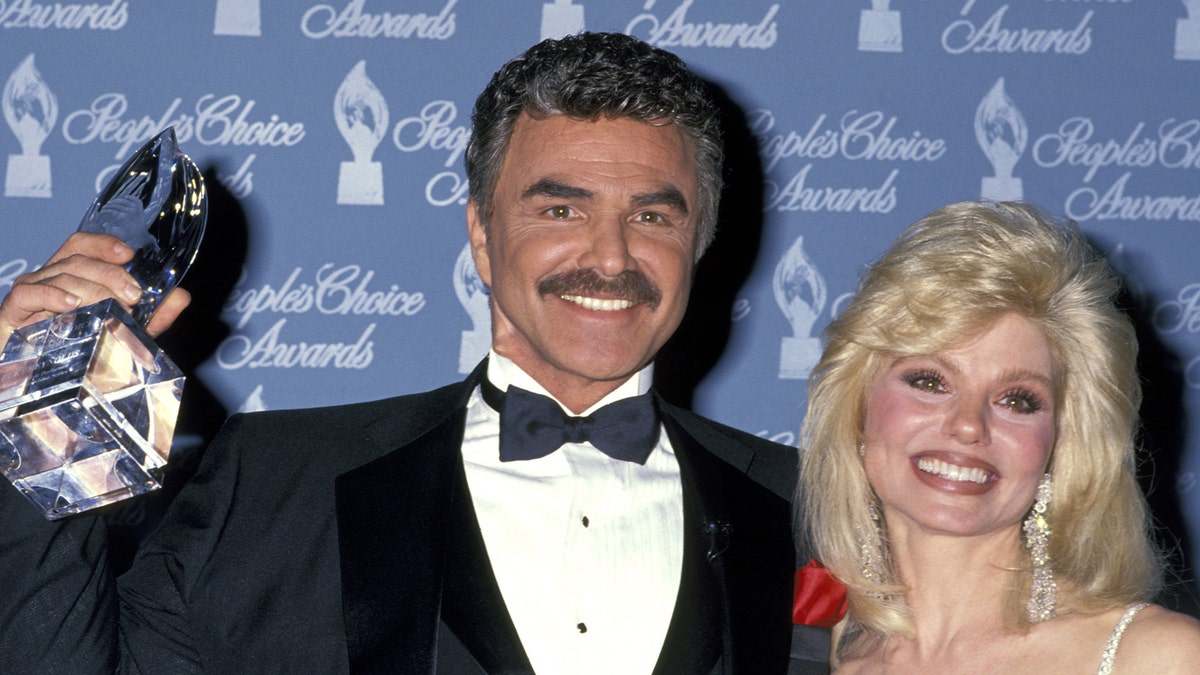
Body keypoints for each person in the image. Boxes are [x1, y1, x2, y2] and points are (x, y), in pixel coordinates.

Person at [0, 33, 827, 674]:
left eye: (653, 216)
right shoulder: (273, 481)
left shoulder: (813, 511)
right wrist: (39, 417)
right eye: (561, 211)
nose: (610, 258)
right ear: (480, 234)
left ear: (701, 240)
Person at [798, 200, 1200, 672]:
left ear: (1060, 445)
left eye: (1017, 400)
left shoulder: (1156, 656)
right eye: (929, 381)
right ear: (859, 410)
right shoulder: (796, 650)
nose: (968, 424)